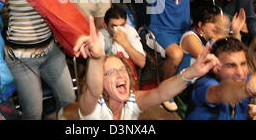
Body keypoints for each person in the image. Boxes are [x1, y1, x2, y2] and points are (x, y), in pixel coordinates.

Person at [74, 16, 220, 120]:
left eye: (122, 70)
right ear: (101, 83)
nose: (120, 75)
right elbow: (93, 91)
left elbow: (161, 93)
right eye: (111, 72)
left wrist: (191, 72)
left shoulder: (131, 101)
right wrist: (97, 59)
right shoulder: (93, 108)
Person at [3, 0, 76, 120]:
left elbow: (63, 10)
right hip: (22, 59)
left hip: (51, 52)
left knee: (69, 101)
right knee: (33, 114)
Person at [184, 37, 256, 120]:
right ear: (215, 68)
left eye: (243, 64)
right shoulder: (204, 85)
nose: (240, 73)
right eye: (231, 65)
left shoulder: (244, 80)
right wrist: (249, 88)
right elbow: (221, 92)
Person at [179, 6, 245, 72]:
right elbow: (209, 62)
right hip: (188, 81)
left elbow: (234, 52)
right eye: (213, 22)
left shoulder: (210, 40)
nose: (217, 26)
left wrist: (236, 32)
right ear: (201, 24)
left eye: (217, 22)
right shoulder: (190, 37)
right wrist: (220, 34)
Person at [98, 6, 146, 83]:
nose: (118, 29)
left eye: (122, 25)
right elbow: (99, 68)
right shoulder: (101, 36)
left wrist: (125, 43)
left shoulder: (130, 31)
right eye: (114, 26)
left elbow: (141, 63)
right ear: (105, 25)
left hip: (129, 75)